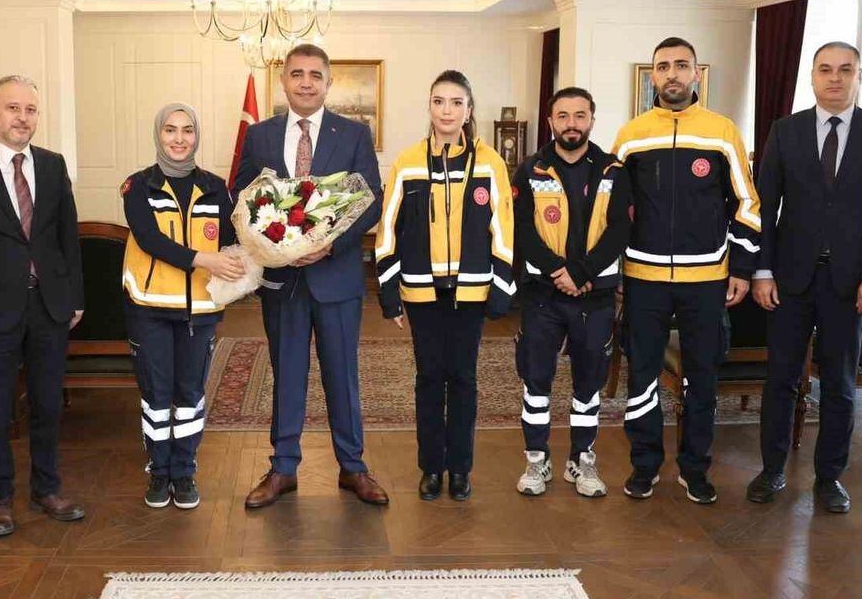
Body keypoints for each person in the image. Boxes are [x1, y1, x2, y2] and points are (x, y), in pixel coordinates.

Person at [747, 42, 862, 513]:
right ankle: (772, 470)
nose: (835, 77)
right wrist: (762, 269)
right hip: (789, 279)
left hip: (851, 282)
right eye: (825, 69)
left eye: (845, 69)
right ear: (812, 77)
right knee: (780, 378)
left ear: (859, 76)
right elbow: (764, 206)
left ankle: (830, 477)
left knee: (839, 383)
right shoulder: (785, 131)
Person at [233, 44, 386, 508]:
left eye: (315, 75)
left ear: (328, 82)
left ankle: (353, 467)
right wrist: (271, 243)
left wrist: (329, 245)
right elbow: (242, 196)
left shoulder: (353, 134)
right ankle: (283, 468)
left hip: (336, 277)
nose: (305, 82)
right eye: (297, 73)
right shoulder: (259, 135)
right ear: (283, 81)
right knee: (287, 375)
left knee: (342, 375)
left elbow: (370, 201)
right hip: (282, 282)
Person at [612, 37, 760, 504]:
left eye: (681, 65)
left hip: (707, 280)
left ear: (696, 73)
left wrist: (741, 267)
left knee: (702, 378)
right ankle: (644, 465)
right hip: (644, 278)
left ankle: (695, 468)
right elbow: (613, 210)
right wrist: (613, 272)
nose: (672, 73)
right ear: (653, 76)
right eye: (663, 66)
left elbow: (747, 204)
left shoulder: (722, 132)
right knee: (643, 377)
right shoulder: (632, 135)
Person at [0, 75, 86, 536]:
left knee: (48, 403)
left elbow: (67, 238)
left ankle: (46, 488)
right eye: (13, 108)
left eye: (30, 110)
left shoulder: (53, 165)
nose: (22, 118)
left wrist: (75, 297)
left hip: (49, 306)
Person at [375, 70, 514, 501]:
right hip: (422, 293)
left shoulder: (490, 163)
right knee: (429, 379)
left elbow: (503, 229)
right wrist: (389, 294)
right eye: (439, 102)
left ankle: (461, 469)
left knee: (465, 379)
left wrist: (501, 288)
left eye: (456, 102)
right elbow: (388, 231)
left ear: (469, 110)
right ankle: (432, 468)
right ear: (430, 107)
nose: (447, 111)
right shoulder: (408, 162)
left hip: (472, 292)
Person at [121, 102, 245, 509]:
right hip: (151, 309)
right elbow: (150, 239)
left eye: (187, 130)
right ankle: (159, 473)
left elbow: (232, 239)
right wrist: (205, 259)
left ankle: (184, 471)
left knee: (190, 394)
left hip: (201, 311)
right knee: (157, 396)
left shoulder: (216, 187)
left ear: (196, 136)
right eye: (170, 130)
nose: (179, 138)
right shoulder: (137, 186)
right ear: (159, 134)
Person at [511, 87, 631, 499]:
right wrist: (558, 271)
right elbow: (522, 229)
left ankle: (581, 460)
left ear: (592, 120)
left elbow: (620, 230)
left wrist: (580, 272)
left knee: (588, 384)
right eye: (563, 116)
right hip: (543, 295)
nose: (571, 124)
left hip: (594, 295)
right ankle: (537, 459)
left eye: (580, 115)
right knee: (536, 381)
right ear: (551, 122)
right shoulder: (530, 170)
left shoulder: (614, 170)